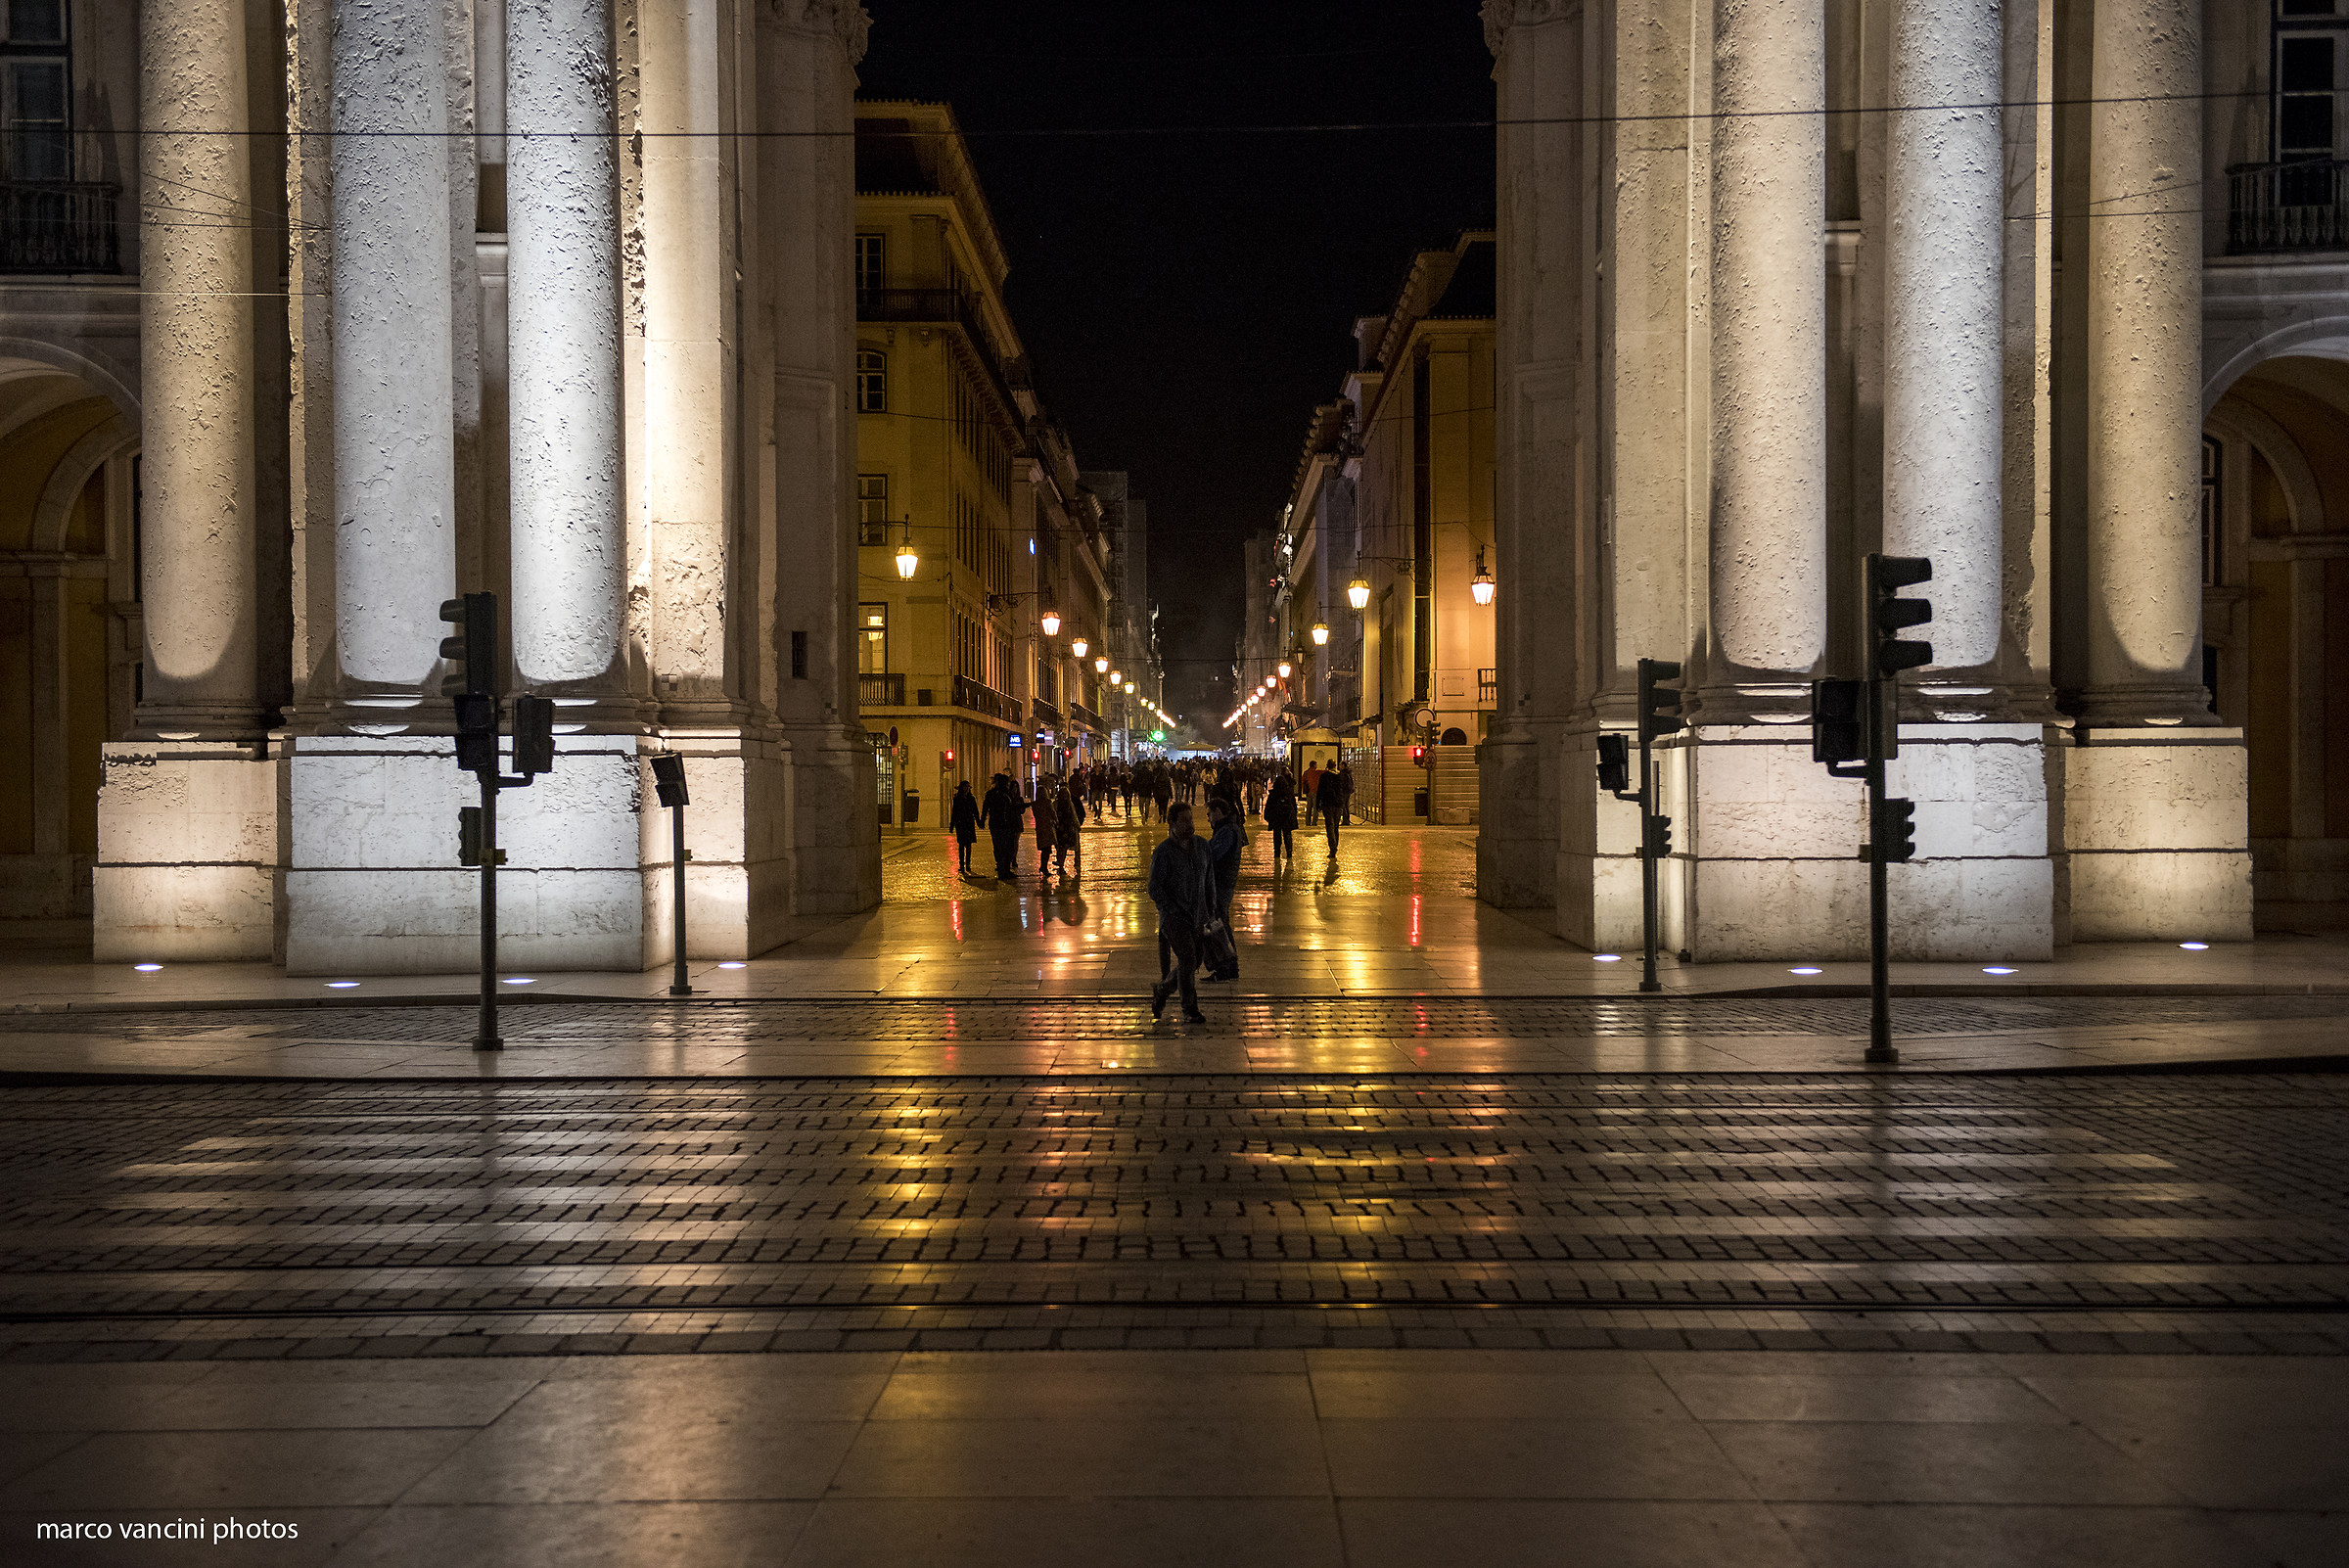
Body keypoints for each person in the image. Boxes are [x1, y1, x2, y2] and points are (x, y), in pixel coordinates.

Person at [1146, 803, 1212, 1023]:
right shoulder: (1163, 852)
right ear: (1172, 823)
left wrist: (1212, 911)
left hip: (1198, 915)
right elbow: (1155, 888)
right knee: (1188, 957)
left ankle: (1163, 990)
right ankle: (1189, 1008)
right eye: (1183, 820)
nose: (1189, 824)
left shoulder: (1202, 847)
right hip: (1174, 918)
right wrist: (1172, 909)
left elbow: (1209, 881)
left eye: (1191, 819)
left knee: (1194, 961)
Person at [1203, 797, 1245, 982]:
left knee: (1220, 925)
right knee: (1219, 924)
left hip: (1221, 883)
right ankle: (1226, 966)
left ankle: (1228, 966)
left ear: (1218, 812)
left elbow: (1215, 854)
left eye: (1209, 814)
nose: (1209, 819)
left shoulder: (1227, 831)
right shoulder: (1227, 828)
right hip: (1221, 882)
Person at [980, 772, 1024, 880]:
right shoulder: (1000, 794)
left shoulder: (1002, 794)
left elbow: (986, 808)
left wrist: (982, 819)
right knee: (1003, 847)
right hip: (1002, 824)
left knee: (1003, 847)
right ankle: (1003, 869)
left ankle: (1004, 869)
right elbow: (987, 807)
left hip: (1001, 824)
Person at [1265, 768, 1298, 861]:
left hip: (1276, 817)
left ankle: (1277, 852)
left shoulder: (1273, 793)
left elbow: (1268, 806)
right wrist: (1294, 815)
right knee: (1287, 834)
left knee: (1277, 835)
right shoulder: (1289, 793)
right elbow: (1293, 805)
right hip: (1287, 816)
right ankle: (1289, 852)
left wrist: (1267, 816)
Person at [1316, 760, 1346, 861]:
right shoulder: (1341, 776)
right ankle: (1334, 847)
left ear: (1327, 766)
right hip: (1338, 804)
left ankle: (1332, 848)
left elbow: (1319, 790)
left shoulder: (1324, 776)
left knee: (1330, 826)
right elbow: (1345, 789)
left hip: (1327, 804)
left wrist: (1317, 804)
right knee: (1336, 826)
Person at [949, 779, 979, 876]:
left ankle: (968, 864)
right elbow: (954, 812)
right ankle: (962, 865)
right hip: (961, 823)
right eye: (965, 787)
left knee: (969, 845)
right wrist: (952, 825)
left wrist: (978, 821)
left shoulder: (971, 798)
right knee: (961, 845)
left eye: (968, 787)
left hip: (969, 822)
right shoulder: (957, 799)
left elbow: (975, 811)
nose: (967, 789)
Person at [1054, 782, 1082, 877]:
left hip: (1066, 828)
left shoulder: (1068, 804)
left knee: (1063, 847)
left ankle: (1061, 864)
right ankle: (1060, 863)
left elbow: (1074, 815)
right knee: (1061, 847)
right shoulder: (1059, 804)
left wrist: (1077, 825)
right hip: (1062, 828)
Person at [1032, 780, 1059, 878]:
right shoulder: (1047, 802)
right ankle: (1044, 867)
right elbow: (1052, 813)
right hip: (1047, 826)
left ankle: (1043, 866)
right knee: (1047, 849)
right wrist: (1056, 821)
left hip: (1039, 827)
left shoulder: (1035, 804)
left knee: (1044, 848)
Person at [1303, 761, 1323, 827]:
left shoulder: (1306, 773)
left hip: (1308, 792)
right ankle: (1314, 822)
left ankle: (1307, 822)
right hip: (1315, 792)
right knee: (1315, 808)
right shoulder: (1317, 773)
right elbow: (1325, 772)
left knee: (1308, 808)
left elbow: (1303, 781)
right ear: (1314, 765)